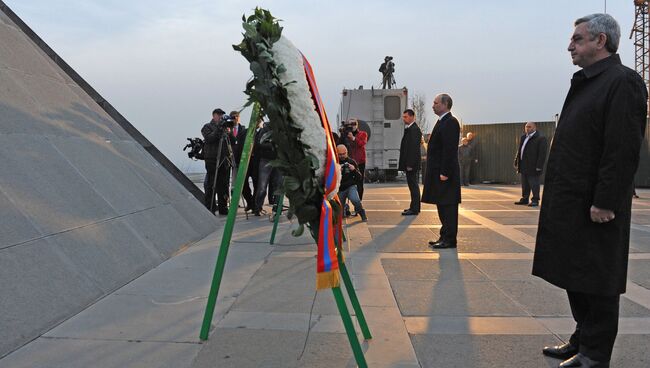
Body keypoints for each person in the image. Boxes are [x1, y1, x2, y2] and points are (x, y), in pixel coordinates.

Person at [533, 14, 647, 368]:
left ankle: (595, 355)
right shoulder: (588, 82)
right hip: (571, 201)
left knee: (597, 278)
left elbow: (622, 148)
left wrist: (606, 200)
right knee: (574, 272)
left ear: (601, 41)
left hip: (596, 205)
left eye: (578, 39)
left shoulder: (623, 82)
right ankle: (582, 339)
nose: (570, 45)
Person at [422, 94, 461, 249]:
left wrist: (444, 172)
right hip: (438, 172)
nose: (433, 105)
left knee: (448, 207)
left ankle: (450, 239)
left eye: (436, 103)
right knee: (442, 205)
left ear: (445, 104)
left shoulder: (451, 122)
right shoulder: (442, 121)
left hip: (445, 174)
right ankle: (444, 236)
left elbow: (449, 149)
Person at [201, 108, 233, 215]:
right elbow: (210, 138)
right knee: (211, 183)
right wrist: (219, 128)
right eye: (218, 115)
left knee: (223, 185)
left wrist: (229, 132)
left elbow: (233, 142)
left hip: (224, 159)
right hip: (212, 159)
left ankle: (223, 207)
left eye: (222, 115)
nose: (220, 117)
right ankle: (211, 207)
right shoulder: (207, 127)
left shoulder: (225, 128)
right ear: (213, 115)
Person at [513, 122, 548, 207]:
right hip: (523, 165)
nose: (527, 128)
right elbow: (520, 150)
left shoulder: (540, 138)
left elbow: (542, 154)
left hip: (534, 167)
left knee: (534, 184)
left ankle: (535, 200)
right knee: (525, 184)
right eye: (526, 127)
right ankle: (525, 199)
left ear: (534, 127)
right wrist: (516, 161)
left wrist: (539, 166)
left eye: (529, 127)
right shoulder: (523, 137)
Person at [253, 121, 282, 216]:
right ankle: (258, 208)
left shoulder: (283, 127)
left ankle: (277, 208)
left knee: (278, 185)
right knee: (262, 186)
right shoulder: (265, 129)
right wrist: (273, 145)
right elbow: (258, 143)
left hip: (278, 160)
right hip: (266, 159)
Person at [229, 111, 254, 211]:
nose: (235, 118)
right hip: (230, 157)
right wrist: (229, 132)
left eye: (236, 116)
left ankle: (250, 202)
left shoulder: (243, 129)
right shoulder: (228, 129)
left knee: (244, 182)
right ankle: (233, 201)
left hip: (242, 159)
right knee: (233, 181)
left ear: (239, 117)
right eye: (233, 117)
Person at [399, 109, 422, 216]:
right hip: (410, 163)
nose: (404, 119)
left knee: (413, 186)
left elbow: (413, 149)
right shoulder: (410, 128)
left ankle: (415, 208)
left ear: (412, 117)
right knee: (412, 186)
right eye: (403, 117)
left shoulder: (414, 130)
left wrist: (410, 164)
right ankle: (413, 207)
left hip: (411, 164)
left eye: (406, 117)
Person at [336, 145, 367, 222]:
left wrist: (354, 170)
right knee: (339, 214)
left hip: (350, 186)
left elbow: (359, 177)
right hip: (339, 189)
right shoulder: (335, 163)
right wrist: (337, 170)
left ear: (347, 152)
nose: (342, 156)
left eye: (344, 153)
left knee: (355, 200)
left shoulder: (352, 162)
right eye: (340, 154)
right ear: (336, 154)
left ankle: (362, 212)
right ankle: (345, 209)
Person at [340, 118, 368, 200]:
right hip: (349, 160)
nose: (351, 126)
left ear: (357, 125)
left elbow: (362, 143)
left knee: (359, 182)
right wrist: (343, 134)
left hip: (360, 161)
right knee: (345, 182)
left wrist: (353, 138)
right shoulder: (345, 135)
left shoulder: (363, 134)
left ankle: (359, 203)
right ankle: (345, 204)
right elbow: (340, 145)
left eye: (353, 124)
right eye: (349, 124)